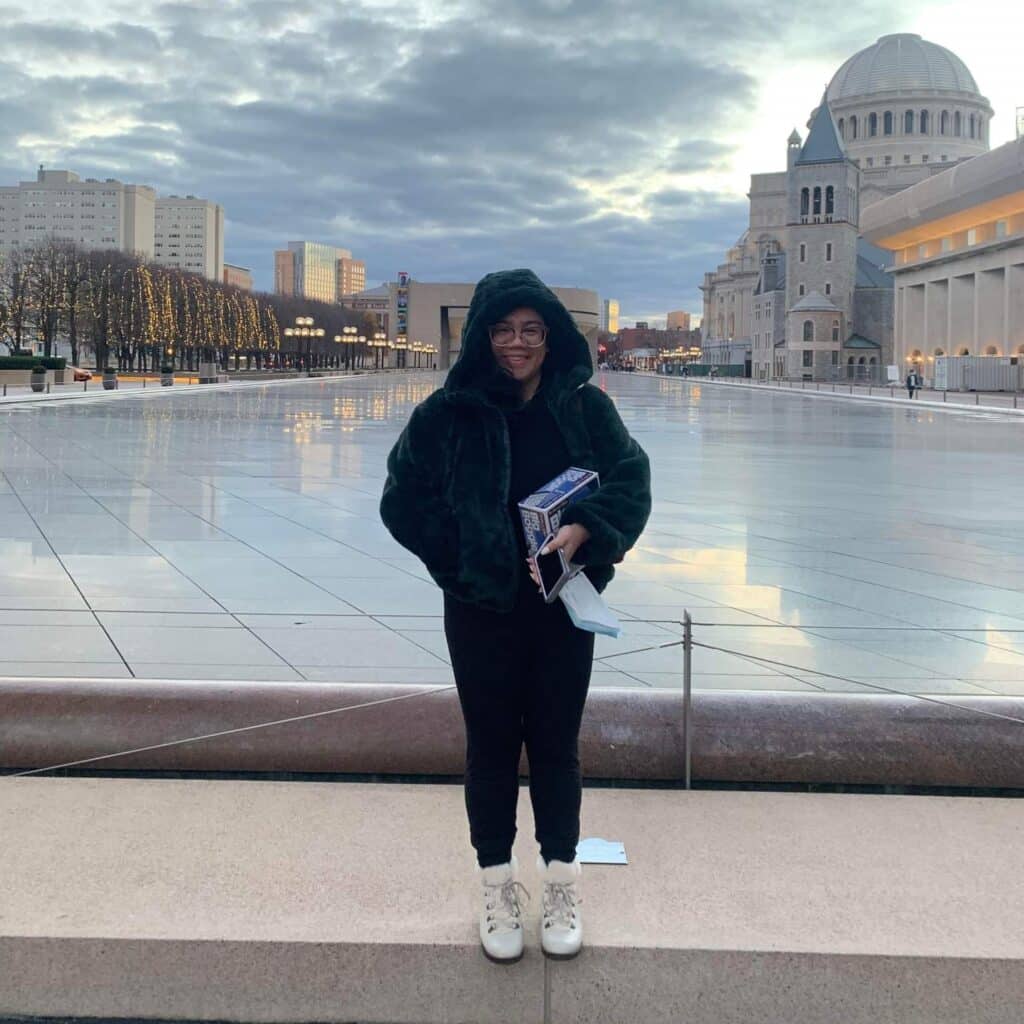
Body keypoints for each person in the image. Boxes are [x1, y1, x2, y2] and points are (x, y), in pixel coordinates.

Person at [380, 269, 651, 964]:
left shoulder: (586, 410)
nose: (517, 344)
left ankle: (562, 880)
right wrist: (470, 560)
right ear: (482, 336)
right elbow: (402, 502)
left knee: (558, 746)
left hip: (564, 606)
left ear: (552, 335)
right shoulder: (448, 413)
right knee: (491, 746)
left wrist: (587, 530)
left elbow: (631, 482)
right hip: (483, 611)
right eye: (503, 330)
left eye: (531, 330)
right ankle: (496, 886)